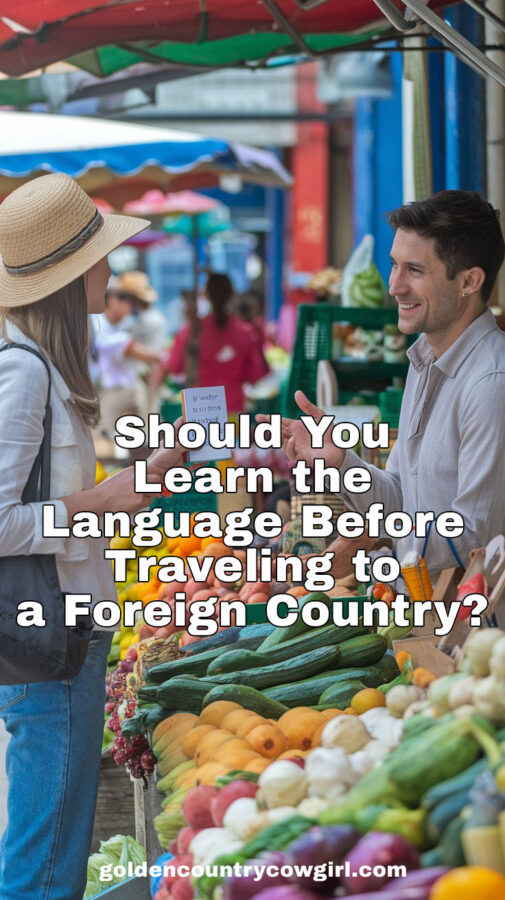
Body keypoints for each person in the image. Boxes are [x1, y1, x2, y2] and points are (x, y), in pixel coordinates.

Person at [0, 173, 185, 900]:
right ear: (73, 273)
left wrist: (137, 480)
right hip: (51, 636)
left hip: (71, 630)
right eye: (102, 255)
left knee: (55, 835)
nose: (111, 269)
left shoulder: (45, 370)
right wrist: (90, 502)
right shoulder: (23, 376)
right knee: (46, 852)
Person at [260, 190, 505, 582]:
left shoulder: (491, 384)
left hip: (474, 631)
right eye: (394, 265)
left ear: (469, 281)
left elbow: (475, 535)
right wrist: (341, 462)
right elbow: (401, 496)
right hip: (420, 613)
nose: (394, 286)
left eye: (415, 270)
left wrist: (373, 545)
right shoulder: (423, 362)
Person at [158, 272, 269, 413]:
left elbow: (175, 366)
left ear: (207, 295)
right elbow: (256, 375)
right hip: (233, 409)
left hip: (198, 411)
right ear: (231, 295)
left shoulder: (191, 331)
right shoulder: (246, 333)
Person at [93, 276, 163, 440]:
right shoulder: (99, 325)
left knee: (144, 438)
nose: (132, 307)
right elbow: (133, 349)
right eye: (128, 300)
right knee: (101, 438)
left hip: (128, 388)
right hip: (112, 391)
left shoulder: (124, 325)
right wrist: (164, 357)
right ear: (112, 299)